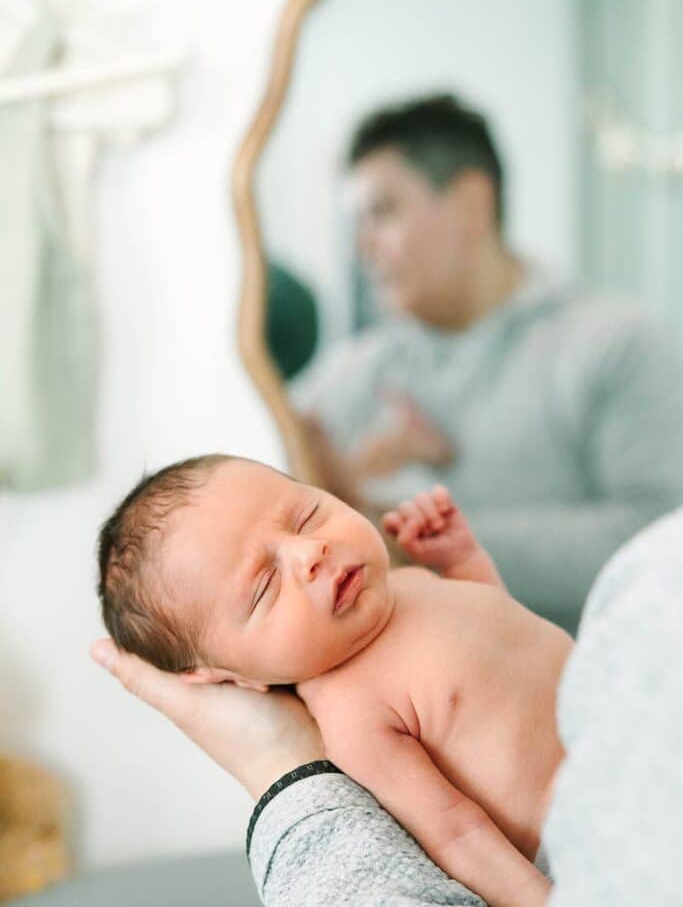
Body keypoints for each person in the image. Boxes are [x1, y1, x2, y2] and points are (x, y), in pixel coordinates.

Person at [91, 504, 683, 907]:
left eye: (305, 513)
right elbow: (454, 831)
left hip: (632, 734)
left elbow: (504, 639)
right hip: (582, 828)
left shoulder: (410, 586)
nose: (311, 551)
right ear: (230, 676)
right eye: (266, 585)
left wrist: (465, 564)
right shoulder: (350, 712)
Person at [292, 94, 683, 632]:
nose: (364, 248)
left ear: (473, 204)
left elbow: (659, 538)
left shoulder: (617, 342)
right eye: (356, 222)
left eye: (381, 213)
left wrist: (416, 537)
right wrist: (355, 476)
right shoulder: (358, 372)